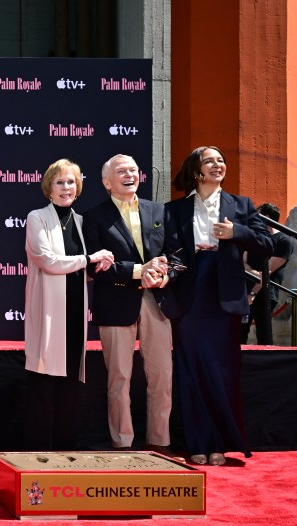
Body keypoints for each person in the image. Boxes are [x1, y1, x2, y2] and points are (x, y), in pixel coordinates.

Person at [163, 146, 272, 466]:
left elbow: (267, 244)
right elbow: (171, 252)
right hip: (190, 298)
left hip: (224, 299)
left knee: (222, 374)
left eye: (221, 161)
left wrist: (236, 232)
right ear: (196, 170)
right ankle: (197, 442)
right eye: (209, 161)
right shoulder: (175, 210)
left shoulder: (241, 205)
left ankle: (220, 444)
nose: (218, 165)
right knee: (191, 372)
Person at [82, 155, 176, 454]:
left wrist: (163, 276)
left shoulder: (159, 210)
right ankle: (122, 443)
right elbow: (95, 267)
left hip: (156, 301)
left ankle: (160, 442)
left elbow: (178, 255)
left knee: (162, 375)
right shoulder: (94, 218)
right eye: (121, 171)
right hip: (115, 303)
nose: (129, 175)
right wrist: (139, 270)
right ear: (107, 182)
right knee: (119, 378)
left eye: (133, 170)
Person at [23, 159, 113, 450]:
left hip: (74, 310)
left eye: (71, 182)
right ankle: (39, 451)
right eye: (60, 182)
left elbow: (81, 268)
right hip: (49, 310)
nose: (66, 187)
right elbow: (47, 260)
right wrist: (88, 259)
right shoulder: (37, 217)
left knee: (70, 384)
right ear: (49, 187)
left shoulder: (81, 221)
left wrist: (98, 264)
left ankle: (64, 450)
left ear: (79, 187)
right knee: (44, 382)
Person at [241, 202, 292, 345]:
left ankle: (265, 364)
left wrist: (252, 294)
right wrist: (253, 272)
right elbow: (243, 261)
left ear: (266, 217)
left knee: (263, 334)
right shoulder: (253, 238)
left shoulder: (283, 241)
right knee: (239, 332)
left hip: (265, 293)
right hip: (243, 290)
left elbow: (268, 271)